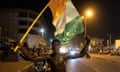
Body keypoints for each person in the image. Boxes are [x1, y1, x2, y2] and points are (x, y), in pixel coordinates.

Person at [18, 36, 90, 72]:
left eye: (57, 45)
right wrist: (21, 48)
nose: (55, 46)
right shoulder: (48, 57)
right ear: (52, 46)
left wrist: (88, 42)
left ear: (60, 46)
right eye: (54, 45)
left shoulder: (65, 55)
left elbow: (82, 54)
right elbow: (32, 58)